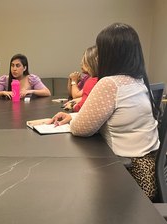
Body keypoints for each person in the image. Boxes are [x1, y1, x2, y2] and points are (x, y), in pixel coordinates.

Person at [50, 23, 160, 200]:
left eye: (101, 51)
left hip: (131, 178)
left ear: (111, 54)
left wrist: (73, 120)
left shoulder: (110, 83)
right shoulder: (138, 81)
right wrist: (71, 115)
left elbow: (80, 129)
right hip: (149, 171)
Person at [64, 46, 98, 112]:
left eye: (84, 62)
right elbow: (71, 94)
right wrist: (70, 79)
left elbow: (75, 96)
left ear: (91, 63)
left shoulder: (92, 80)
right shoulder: (86, 77)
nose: (81, 64)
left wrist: (74, 81)